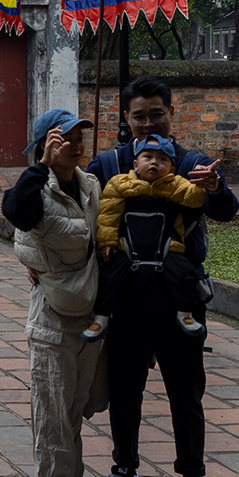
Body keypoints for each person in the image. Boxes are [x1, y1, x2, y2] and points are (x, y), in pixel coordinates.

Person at [86, 75, 239, 477]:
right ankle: (124, 470)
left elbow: (226, 211)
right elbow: (71, 208)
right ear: (126, 118)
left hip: (180, 299)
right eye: (139, 116)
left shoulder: (193, 163)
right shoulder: (108, 164)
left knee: (186, 392)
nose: (148, 123)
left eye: (157, 114)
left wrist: (213, 188)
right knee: (125, 390)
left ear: (171, 114)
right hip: (126, 300)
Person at [1, 109, 108, 477]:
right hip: (52, 314)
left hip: (90, 310)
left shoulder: (90, 185)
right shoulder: (38, 188)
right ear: (47, 143)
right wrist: (42, 164)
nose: (77, 145)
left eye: (81, 138)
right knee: (51, 403)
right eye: (67, 138)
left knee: (76, 403)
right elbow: (19, 212)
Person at [83, 135, 208, 343]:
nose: (154, 162)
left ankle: (185, 313)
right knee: (111, 277)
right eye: (147, 157)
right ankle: (101, 317)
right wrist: (107, 242)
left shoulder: (176, 185)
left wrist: (206, 186)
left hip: (168, 247)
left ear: (172, 168)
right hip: (128, 247)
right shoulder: (120, 183)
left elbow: (194, 199)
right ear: (135, 164)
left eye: (162, 159)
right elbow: (108, 214)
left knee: (184, 274)